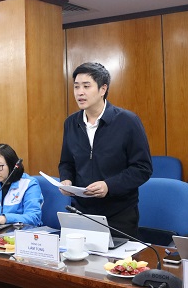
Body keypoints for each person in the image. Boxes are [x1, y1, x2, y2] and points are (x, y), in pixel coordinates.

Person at [58, 62, 152, 238]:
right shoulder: (71, 123)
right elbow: (66, 162)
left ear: (103, 89)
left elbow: (142, 168)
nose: (79, 92)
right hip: (81, 211)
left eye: (86, 86)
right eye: (76, 87)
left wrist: (109, 185)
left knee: (115, 257)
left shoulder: (127, 121)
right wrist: (66, 179)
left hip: (119, 214)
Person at [0, 143, 42, 226]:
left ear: (11, 165)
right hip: (0, 230)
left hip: (24, 231)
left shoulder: (29, 184)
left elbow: (34, 218)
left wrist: (6, 218)